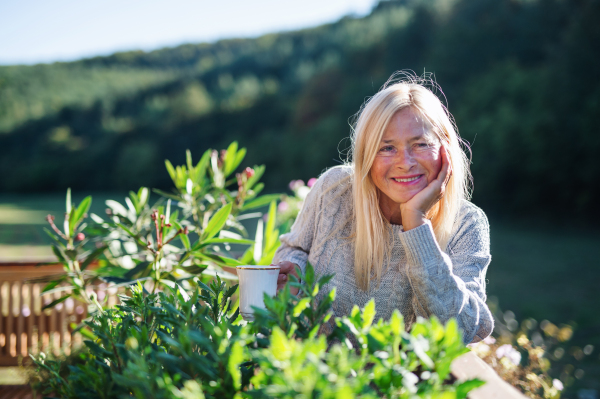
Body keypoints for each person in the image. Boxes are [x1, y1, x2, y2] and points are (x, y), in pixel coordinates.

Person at [271, 73, 494, 344]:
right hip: (311, 374)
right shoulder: (335, 189)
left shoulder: (467, 224)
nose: (405, 162)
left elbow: (463, 328)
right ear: (366, 154)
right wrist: (293, 270)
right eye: (387, 148)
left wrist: (416, 224)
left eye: (420, 144)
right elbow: (294, 249)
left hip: (397, 383)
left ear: (445, 148)